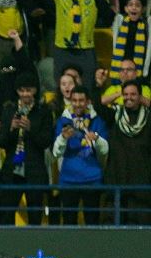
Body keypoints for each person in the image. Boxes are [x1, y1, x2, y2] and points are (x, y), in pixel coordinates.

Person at [0, 74, 53, 225]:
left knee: (35, 217)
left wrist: (30, 129)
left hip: (35, 171)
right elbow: (1, 142)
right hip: (11, 170)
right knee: (6, 216)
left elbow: (46, 142)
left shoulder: (43, 111)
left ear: (35, 90)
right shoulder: (9, 110)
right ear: (17, 91)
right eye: (22, 90)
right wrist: (11, 128)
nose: (25, 94)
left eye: (29, 90)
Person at [53, 86, 109, 226]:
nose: (78, 104)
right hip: (68, 180)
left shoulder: (97, 120)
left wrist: (96, 139)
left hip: (92, 179)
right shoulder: (63, 121)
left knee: (92, 223)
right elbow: (56, 152)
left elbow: (105, 150)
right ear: (70, 101)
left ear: (88, 101)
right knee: (68, 224)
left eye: (81, 100)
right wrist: (63, 138)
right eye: (74, 100)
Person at [106, 80, 151, 225]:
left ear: (141, 97)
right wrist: (116, 93)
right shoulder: (114, 116)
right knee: (115, 228)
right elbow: (98, 104)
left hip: (142, 183)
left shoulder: (148, 118)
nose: (128, 97)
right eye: (125, 94)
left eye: (133, 94)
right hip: (117, 179)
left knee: (141, 227)